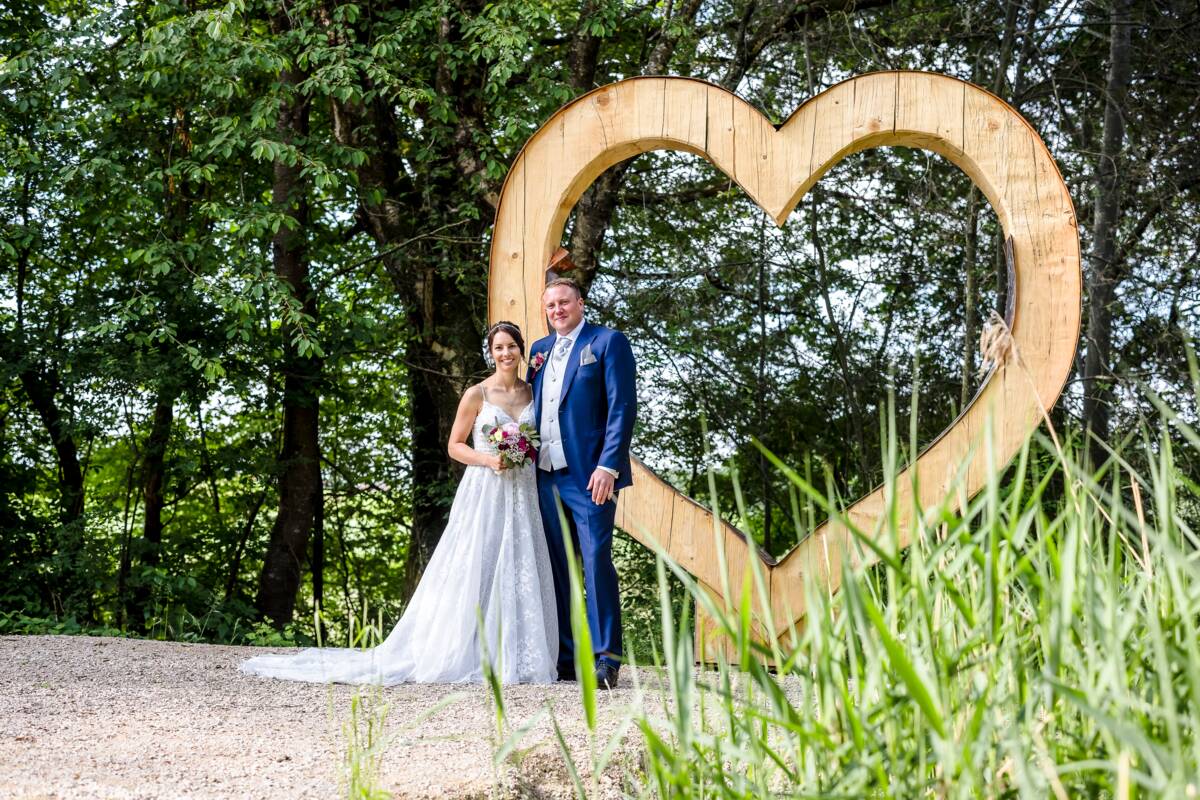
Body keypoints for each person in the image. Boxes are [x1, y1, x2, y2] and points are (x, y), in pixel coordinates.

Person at [238, 322, 558, 685]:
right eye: (498, 348)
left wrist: (523, 453)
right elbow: (455, 445)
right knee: (476, 564)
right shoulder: (476, 394)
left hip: (523, 491)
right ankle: (466, 647)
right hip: (485, 488)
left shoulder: (534, 393)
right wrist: (488, 460)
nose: (505, 354)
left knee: (521, 562)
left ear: (521, 349)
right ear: (491, 353)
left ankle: (516, 654)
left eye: (511, 347)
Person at [528, 277, 637, 689]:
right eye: (550, 305)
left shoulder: (608, 342)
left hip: (590, 476)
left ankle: (606, 659)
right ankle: (569, 659)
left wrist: (608, 466)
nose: (557, 310)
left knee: (595, 562)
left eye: (564, 302)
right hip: (546, 474)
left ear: (580, 303)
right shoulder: (539, 351)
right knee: (559, 567)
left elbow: (622, 407)